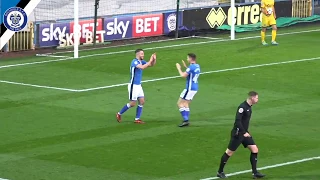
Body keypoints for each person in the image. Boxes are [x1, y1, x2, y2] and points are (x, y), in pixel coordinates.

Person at [216, 91, 265, 179]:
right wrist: (244, 132)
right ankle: (220, 172)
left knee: (255, 150)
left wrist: (247, 131)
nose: (258, 99)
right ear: (252, 98)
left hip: (245, 134)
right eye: (257, 98)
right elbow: (237, 121)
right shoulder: (242, 107)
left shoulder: (249, 107)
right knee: (229, 152)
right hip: (238, 134)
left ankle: (255, 173)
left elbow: (244, 122)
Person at [116, 49, 156, 124]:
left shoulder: (141, 61)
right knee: (132, 103)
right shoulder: (134, 62)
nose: (143, 55)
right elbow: (142, 67)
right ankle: (119, 114)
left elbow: (151, 65)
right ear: (137, 54)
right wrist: (150, 60)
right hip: (133, 86)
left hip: (138, 85)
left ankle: (137, 119)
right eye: (142, 54)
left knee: (142, 101)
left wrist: (154, 60)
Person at [175, 53, 200, 127]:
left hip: (189, 88)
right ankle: (186, 120)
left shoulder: (191, 67)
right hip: (195, 88)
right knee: (185, 104)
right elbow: (191, 72)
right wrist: (186, 67)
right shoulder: (197, 66)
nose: (187, 59)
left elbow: (183, 75)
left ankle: (186, 120)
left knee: (179, 103)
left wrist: (179, 68)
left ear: (190, 58)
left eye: (187, 58)